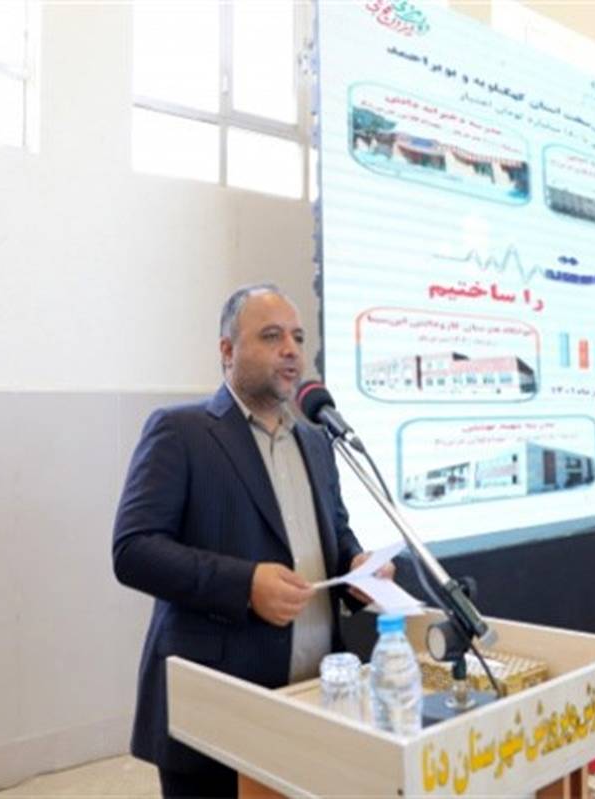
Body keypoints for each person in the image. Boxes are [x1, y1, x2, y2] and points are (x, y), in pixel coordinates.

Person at [113, 283, 392, 798]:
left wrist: (356, 568)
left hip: (313, 699)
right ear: (227, 350)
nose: (291, 350)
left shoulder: (316, 441)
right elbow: (134, 550)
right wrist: (245, 586)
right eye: (271, 336)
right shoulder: (181, 431)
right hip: (217, 709)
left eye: (298, 338)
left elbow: (334, 531)